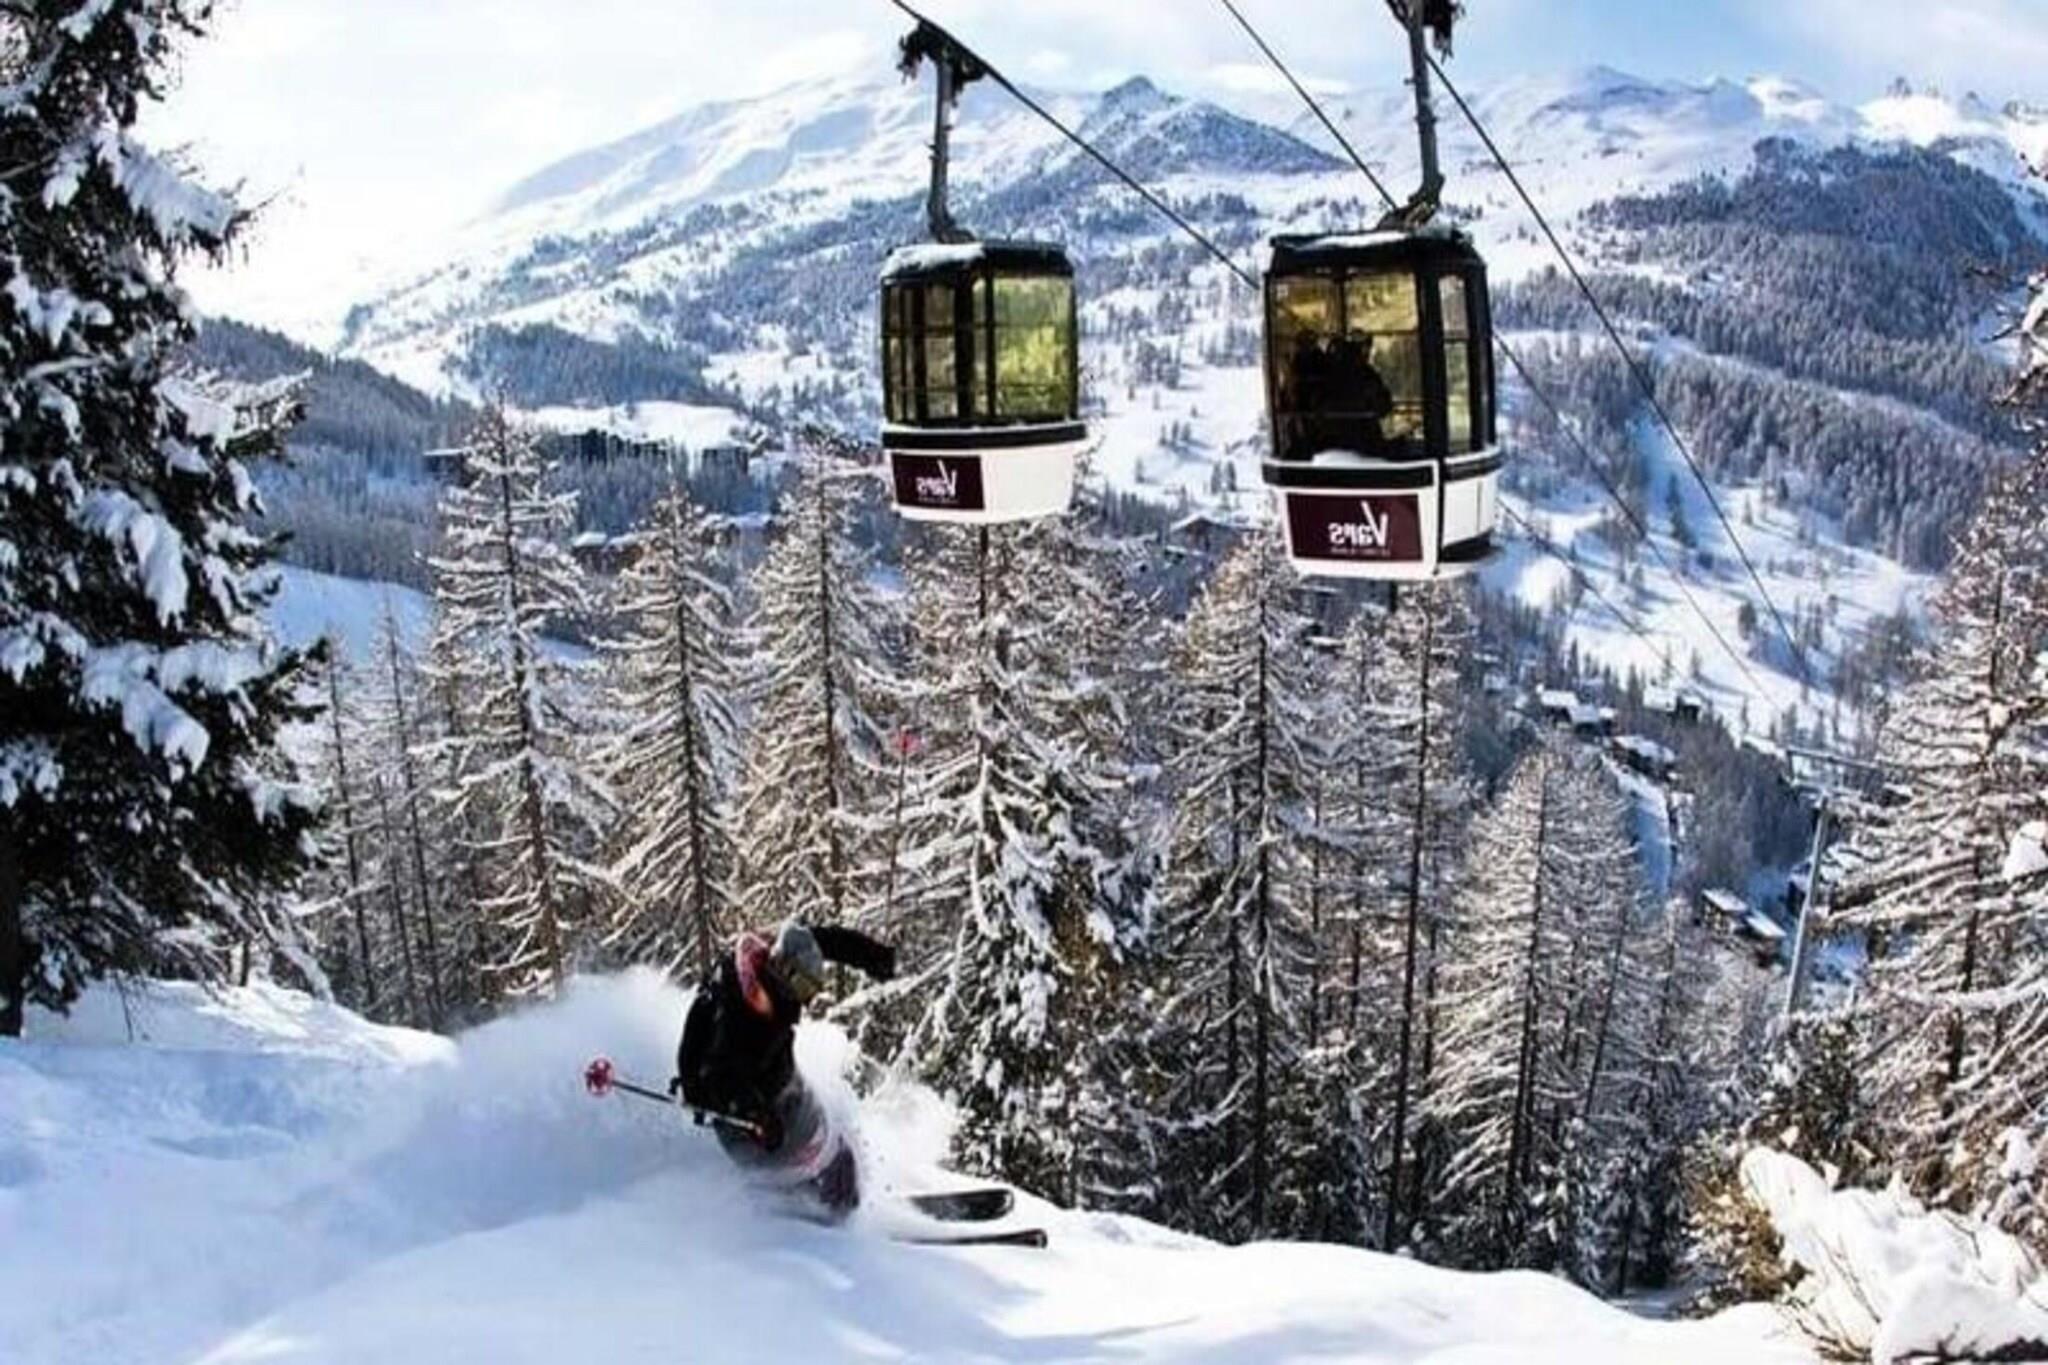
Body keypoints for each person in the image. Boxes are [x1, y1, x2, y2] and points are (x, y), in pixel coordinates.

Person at [673, 921, 895, 1217]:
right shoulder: (748, 1017)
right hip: (739, 1117)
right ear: (786, 972)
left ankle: (831, 1197)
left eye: (812, 989)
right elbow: (721, 1072)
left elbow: (826, 941)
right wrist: (756, 1113)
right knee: (808, 1155)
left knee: (832, 1142)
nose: (807, 999)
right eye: (804, 988)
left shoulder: (772, 959)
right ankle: (795, 1213)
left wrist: (873, 956)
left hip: (769, 1091)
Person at [1329, 330, 1395, 454]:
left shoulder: (1331, 374)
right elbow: (1383, 406)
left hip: (1336, 443)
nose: (1368, 352)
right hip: (1364, 439)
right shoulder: (1367, 375)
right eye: (1366, 347)